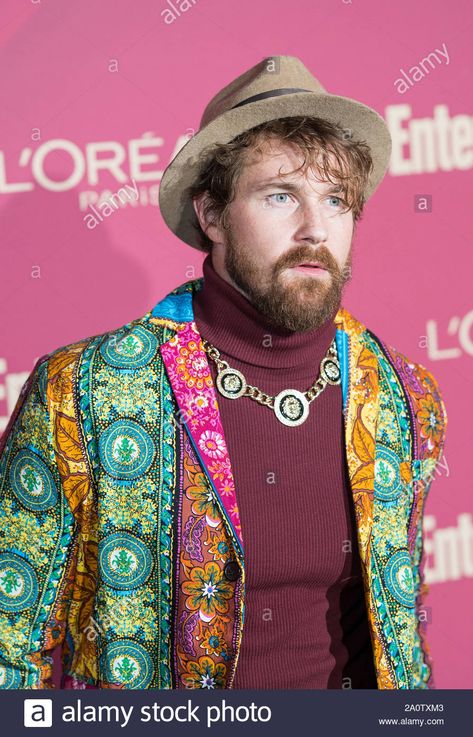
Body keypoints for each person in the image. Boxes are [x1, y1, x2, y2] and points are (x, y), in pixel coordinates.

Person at [0, 55, 447, 690]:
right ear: (212, 216)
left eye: (336, 201)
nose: (315, 229)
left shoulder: (404, 395)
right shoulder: (84, 390)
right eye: (280, 196)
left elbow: (398, 632)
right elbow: (10, 645)